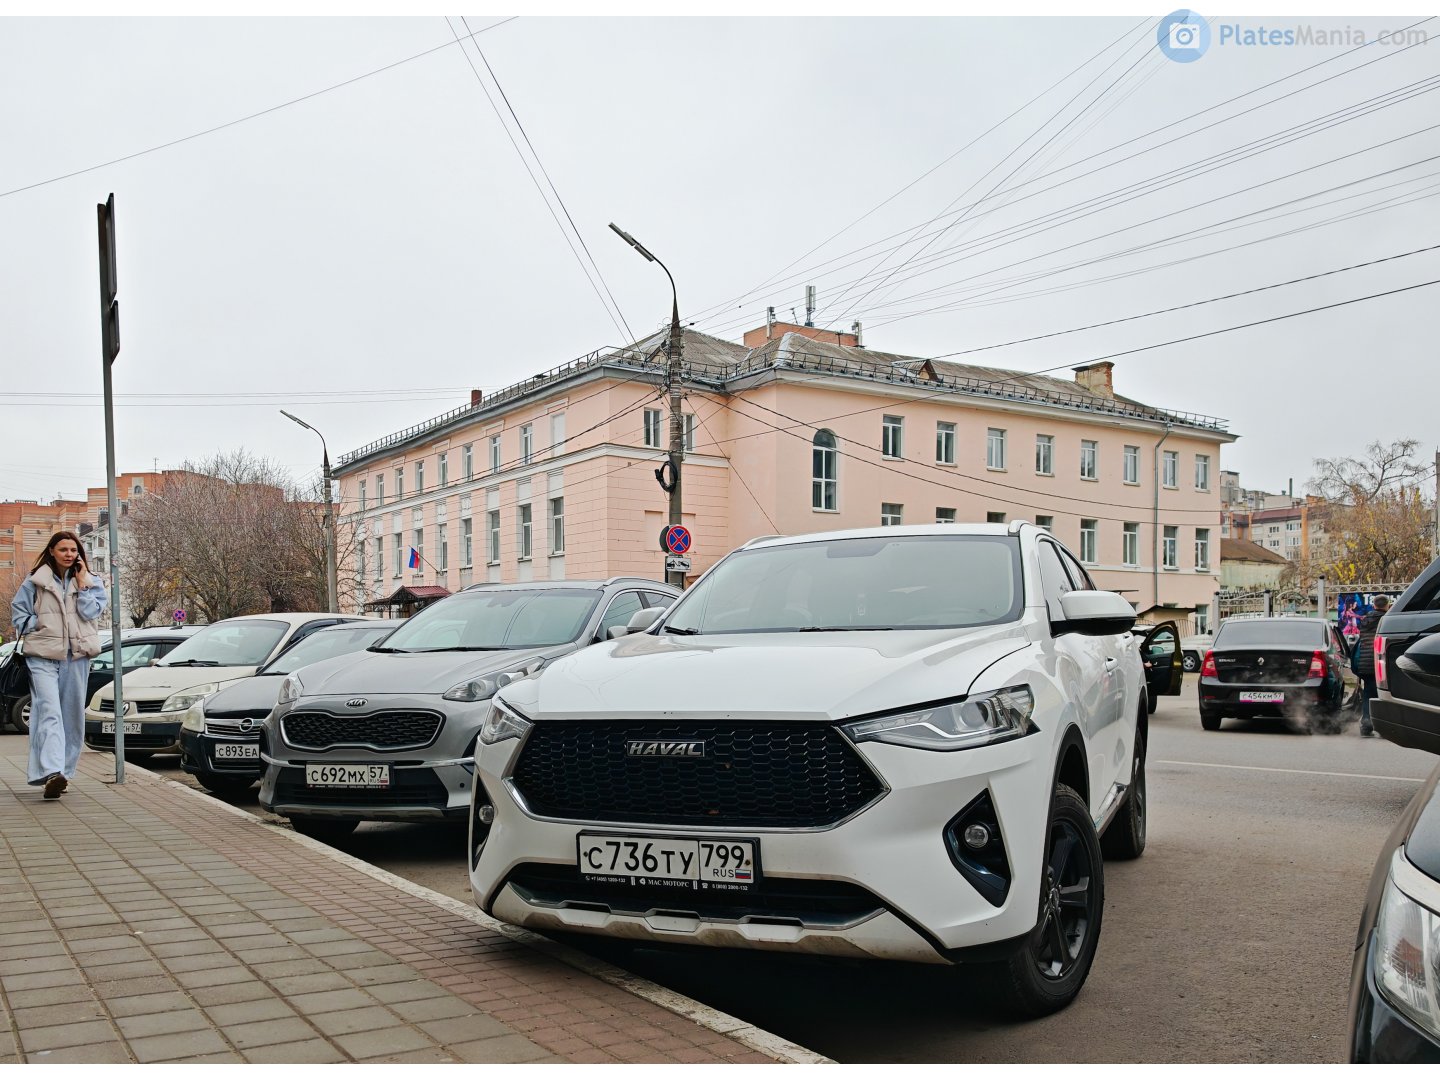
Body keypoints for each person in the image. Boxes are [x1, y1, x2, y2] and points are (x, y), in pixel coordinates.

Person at [10, 531, 108, 797]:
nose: (69, 554)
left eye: (73, 550)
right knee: (49, 712)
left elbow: (90, 613)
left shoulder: (92, 581)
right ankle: (52, 771)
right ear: (52, 550)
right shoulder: (35, 581)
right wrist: (40, 625)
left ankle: (62, 773)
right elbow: (19, 613)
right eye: (63, 549)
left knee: (71, 716)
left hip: (76, 656)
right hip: (42, 655)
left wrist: (84, 584)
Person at [1352, 594, 1392, 739]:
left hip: (1366, 664)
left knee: (1368, 695)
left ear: (1374, 605)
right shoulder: (1388, 620)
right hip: (1383, 664)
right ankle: (1385, 726)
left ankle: (1366, 726)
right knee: (1386, 696)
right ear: (1387, 605)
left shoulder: (1365, 620)